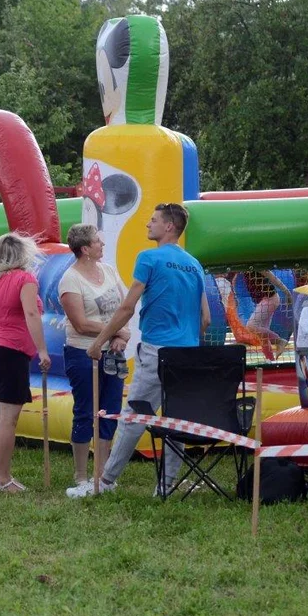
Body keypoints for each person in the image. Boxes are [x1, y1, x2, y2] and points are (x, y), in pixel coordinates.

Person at [72, 202, 210, 498]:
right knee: (176, 419)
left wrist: (98, 343)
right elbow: (206, 319)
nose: (148, 224)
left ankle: (104, 482)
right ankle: (167, 486)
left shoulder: (149, 258)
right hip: (188, 354)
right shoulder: (195, 264)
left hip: (158, 350)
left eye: (153, 220)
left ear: (169, 226)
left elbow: (126, 308)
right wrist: (185, 336)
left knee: (135, 414)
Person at [58, 224, 129, 498]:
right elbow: (80, 323)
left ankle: (102, 473)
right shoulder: (70, 280)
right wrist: (115, 331)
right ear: (85, 249)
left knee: (110, 410)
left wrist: (120, 338)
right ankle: (80, 474)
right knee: (86, 411)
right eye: (97, 242)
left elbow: (122, 311)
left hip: (114, 352)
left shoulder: (109, 271)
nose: (102, 245)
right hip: (82, 353)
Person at [0, 233, 52, 493]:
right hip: (11, 352)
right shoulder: (24, 279)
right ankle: (3, 478)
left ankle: (1, 475)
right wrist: (42, 350)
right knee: (7, 420)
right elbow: (31, 313)